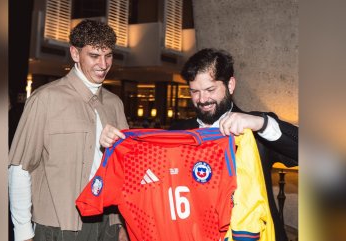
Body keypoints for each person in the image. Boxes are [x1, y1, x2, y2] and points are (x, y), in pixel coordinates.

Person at [100, 48, 298, 241]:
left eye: (210, 90)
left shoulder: (255, 130)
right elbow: (147, 181)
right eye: (195, 91)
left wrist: (261, 123)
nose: (202, 99)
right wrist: (115, 143)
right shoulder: (179, 132)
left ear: (230, 85)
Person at [8, 20, 129, 241]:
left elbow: (124, 171)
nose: (103, 64)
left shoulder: (114, 103)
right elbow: (20, 167)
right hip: (59, 226)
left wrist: (122, 223)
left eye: (108, 55)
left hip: (108, 223)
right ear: (75, 53)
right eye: (94, 55)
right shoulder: (45, 99)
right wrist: (23, 231)